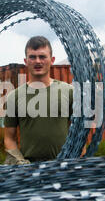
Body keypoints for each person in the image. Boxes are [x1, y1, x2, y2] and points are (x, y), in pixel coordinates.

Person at [4, 36, 73, 164]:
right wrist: (19, 162)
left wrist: (76, 159)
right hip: (30, 168)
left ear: (52, 60)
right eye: (32, 57)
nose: (37, 61)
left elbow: (78, 132)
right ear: (26, 61)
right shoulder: (14, 97)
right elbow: (9, 138)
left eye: (42, 57)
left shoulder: (68, 92)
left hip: (64, 166)